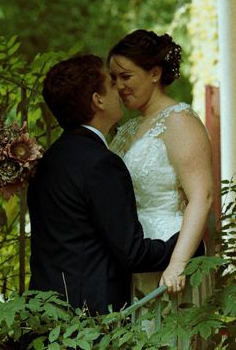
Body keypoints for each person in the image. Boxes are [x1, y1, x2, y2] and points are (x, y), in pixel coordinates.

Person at [28, 54, 179, 315]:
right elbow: (133, 253)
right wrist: (186, 243)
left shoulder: (49, 159)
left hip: (45, 313)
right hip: (88, 318)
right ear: (97, 100)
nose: (119, 89)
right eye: (111, 84)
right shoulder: (102, 164)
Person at [108, 29, 214, 300]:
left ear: (154, 74)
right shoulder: (128, 129)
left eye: (126, 76)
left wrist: (178, 263)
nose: (118, 86)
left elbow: (202, 196)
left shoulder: (180, 121)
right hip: (133, 257)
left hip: (169, 256)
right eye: (113, 78)